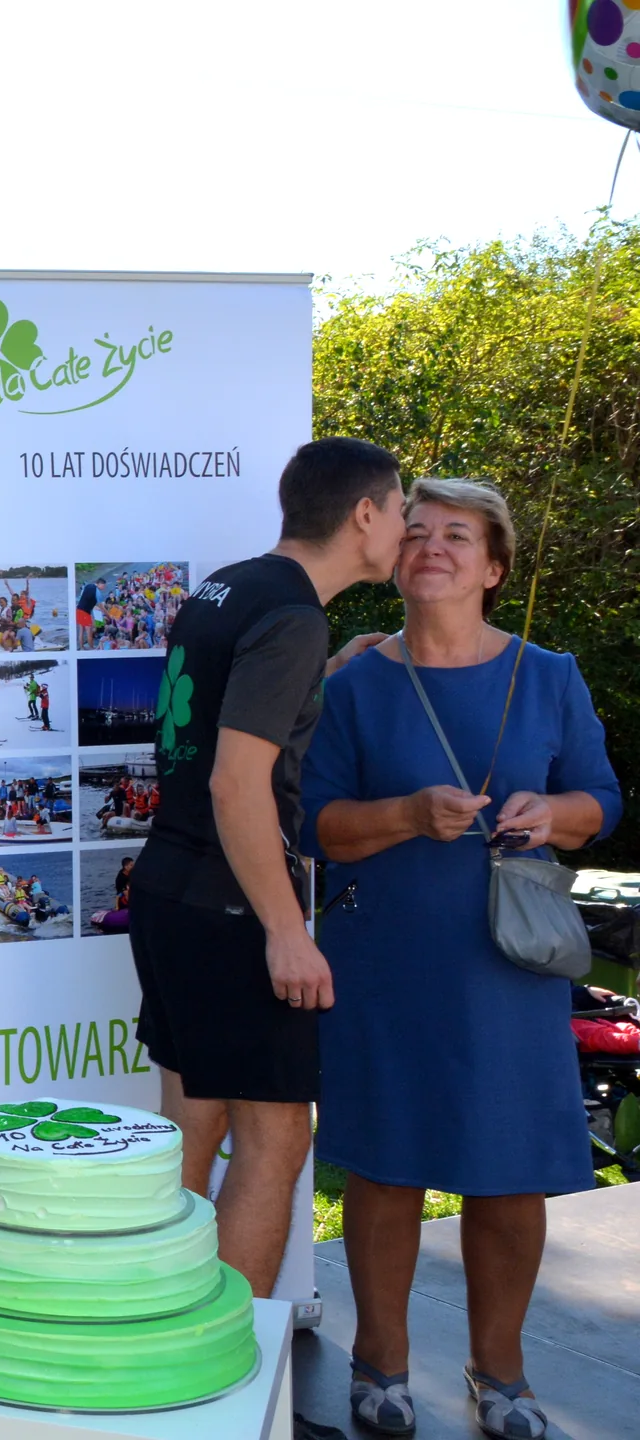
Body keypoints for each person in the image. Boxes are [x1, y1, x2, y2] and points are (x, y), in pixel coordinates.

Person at [302, 479, 619, 1440]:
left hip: (508, 966)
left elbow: (600, 800)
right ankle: (380, 1367)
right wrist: (404, 816)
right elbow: (316, 827)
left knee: (509, 1174)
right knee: (387, 1171)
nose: (433, 546)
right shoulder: (355, 682)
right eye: (419, 531)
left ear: (494, 567)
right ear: (393, 559)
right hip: (387, 961)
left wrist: (553, 814)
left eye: (459, 535)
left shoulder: (552, 673)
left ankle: (505, 1376)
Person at [128, 436, 406, 1313]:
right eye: (401, 509)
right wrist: (288, 932)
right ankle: (223, 1372)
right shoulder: (292, 616)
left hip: (170, 892)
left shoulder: (231, 586)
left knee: (193, 1127)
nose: (406, 527)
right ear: (364, 515)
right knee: (276, 1142)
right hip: (229, 912)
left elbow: (219, 721)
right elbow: (235, 783)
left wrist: (319, 678)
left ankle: (158, 1344)